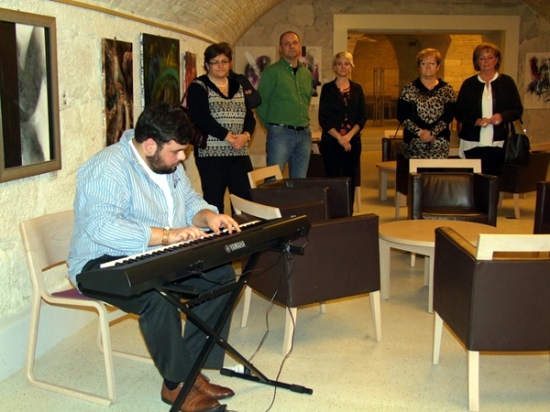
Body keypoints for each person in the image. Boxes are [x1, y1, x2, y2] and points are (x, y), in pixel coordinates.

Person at [67, 102, 238, 412]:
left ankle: (189, 370)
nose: (183, 158)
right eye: (177, 151)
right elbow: (102, 228)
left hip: (154, 255)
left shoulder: (167, 164)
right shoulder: (108, 168)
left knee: (222, 276)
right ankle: (176, 384)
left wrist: (208, 216)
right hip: (100, 263)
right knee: (156, 295)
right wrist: (166, 235)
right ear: (149, 145)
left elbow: (189, 201)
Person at [187, 42, 256, 214]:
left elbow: (249, 117)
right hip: (211, 156)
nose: (220, 66)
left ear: (230, 63)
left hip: (239, 153)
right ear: (207, 64)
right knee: (214, 202)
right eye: (215, 62)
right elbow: (201, 118)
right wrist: (228, 136)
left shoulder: (238, 86)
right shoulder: (198, 86)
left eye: (224, 61)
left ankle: (243, 231)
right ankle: (217, 231)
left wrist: (245, 135)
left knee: (245, 202)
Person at [455, 42, 523, 176]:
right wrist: (476, 121)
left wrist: (502, 116)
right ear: (476, 61)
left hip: (499, 142)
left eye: (490, 57)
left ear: (496, 60)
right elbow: (459, 112)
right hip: (473, 143)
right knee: (475, 181)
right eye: (482, 58)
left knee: (496, 180)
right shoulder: (469, 84)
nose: (486, 61)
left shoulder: (507, 82)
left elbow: (517, 109)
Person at [256, 31, 313, 178]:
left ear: (299, 46)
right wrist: (271, 126)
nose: (291, 46)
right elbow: (261, 103)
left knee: (300, 181)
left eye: (294, 43)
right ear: (280, 48)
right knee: (273, 180)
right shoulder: (272, 72)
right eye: (286, 43)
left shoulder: (306, 74)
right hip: (280, 134)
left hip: (304, 134)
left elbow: (305, 100)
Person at [318, 51, 366, 204]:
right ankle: (333, 212)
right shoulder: (327, 89)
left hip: (353, 141)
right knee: (332, 179)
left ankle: (347, 212)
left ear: (351, 67)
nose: (343, 67)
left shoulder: (358, 89)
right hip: (331, 141)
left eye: (346, 64)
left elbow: (362, 117)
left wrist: (348, 137)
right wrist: (340, 138)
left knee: (350, 178)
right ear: (334, 67)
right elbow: (323, 118)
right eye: (339, 64)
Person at [397, 48, 457, 159]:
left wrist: (432, 133)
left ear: (438, 66)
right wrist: (420, 133)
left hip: (439, 142)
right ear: (419, 67)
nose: (428, 67)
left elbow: (449, 115)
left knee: (437, 171)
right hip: (414, 143)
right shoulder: (409, 88)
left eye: (432, 63)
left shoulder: (447, 89)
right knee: (415, 171)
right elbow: (402, 115)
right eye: (424, 63)